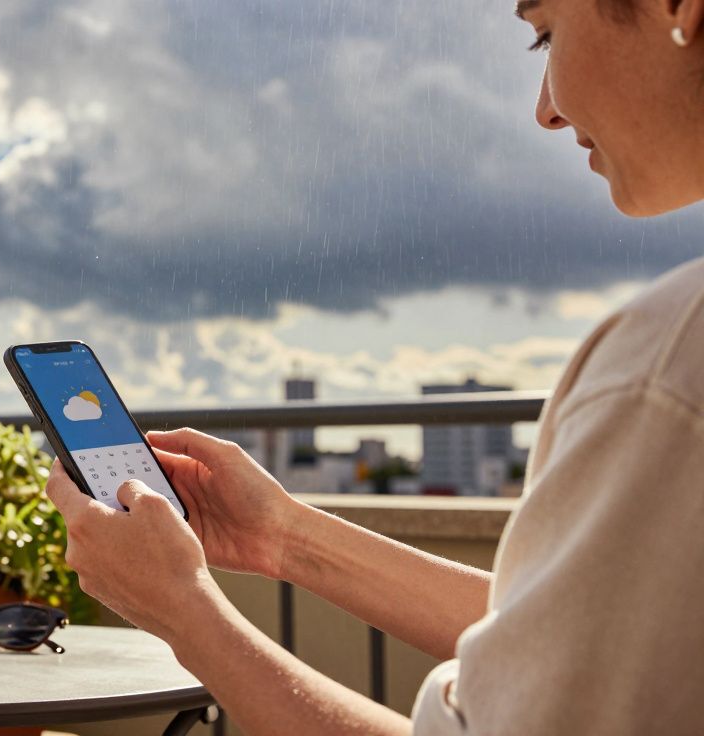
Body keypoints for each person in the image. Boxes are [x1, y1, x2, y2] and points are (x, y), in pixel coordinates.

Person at [44, 0, 704, 733]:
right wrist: (283, 536)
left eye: (544, 34)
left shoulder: (668, 365)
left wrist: (184, 612)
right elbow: (570, 642)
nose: (545, 110)